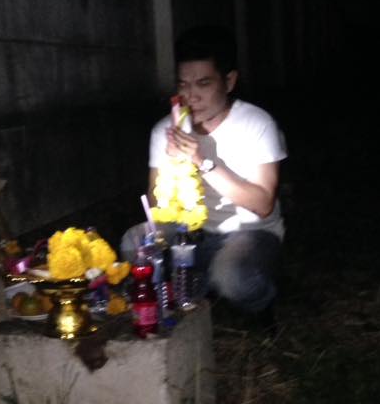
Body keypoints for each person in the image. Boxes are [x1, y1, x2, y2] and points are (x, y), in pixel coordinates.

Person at [123, 25, 287, 316]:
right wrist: (173, 163)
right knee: (134, 242)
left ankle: (260, 301)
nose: (192, 97)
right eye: (183, 85)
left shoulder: (257, 124)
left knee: (232, 277)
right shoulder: (165, 130)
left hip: (249, 232)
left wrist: (202, 162)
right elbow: (156, 206)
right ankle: (182, 292)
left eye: (203, 84)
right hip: (189, 232)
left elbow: (262, 204)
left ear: (229, 81)